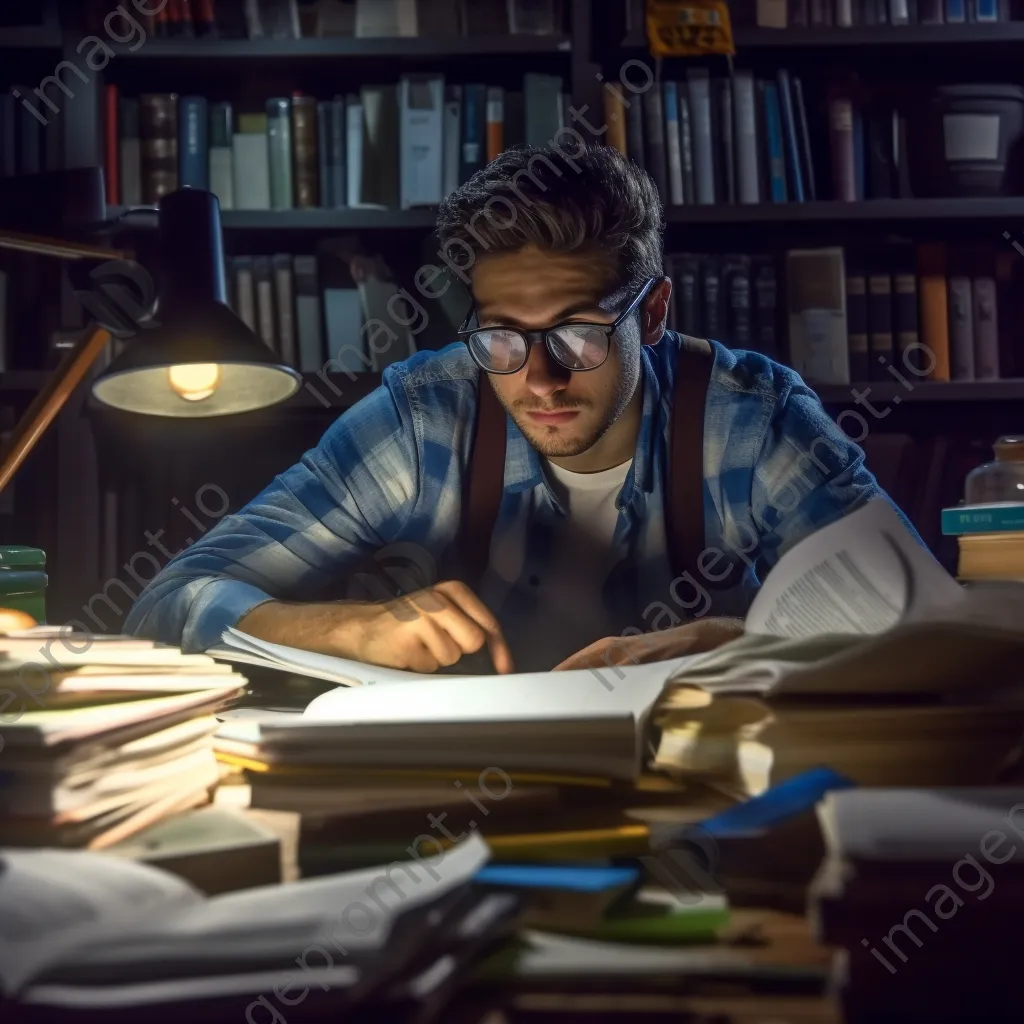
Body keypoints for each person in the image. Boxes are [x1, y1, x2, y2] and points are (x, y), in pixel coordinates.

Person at [126, 144, 903, 675]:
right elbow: (168, 605)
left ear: (655, 313)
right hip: (460, 808)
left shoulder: (754, 420)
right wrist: (346, 627)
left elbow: (933, 635)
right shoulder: (423, 417)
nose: (540, 379)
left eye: (577, 333)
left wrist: (747, 644)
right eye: (501, 336)